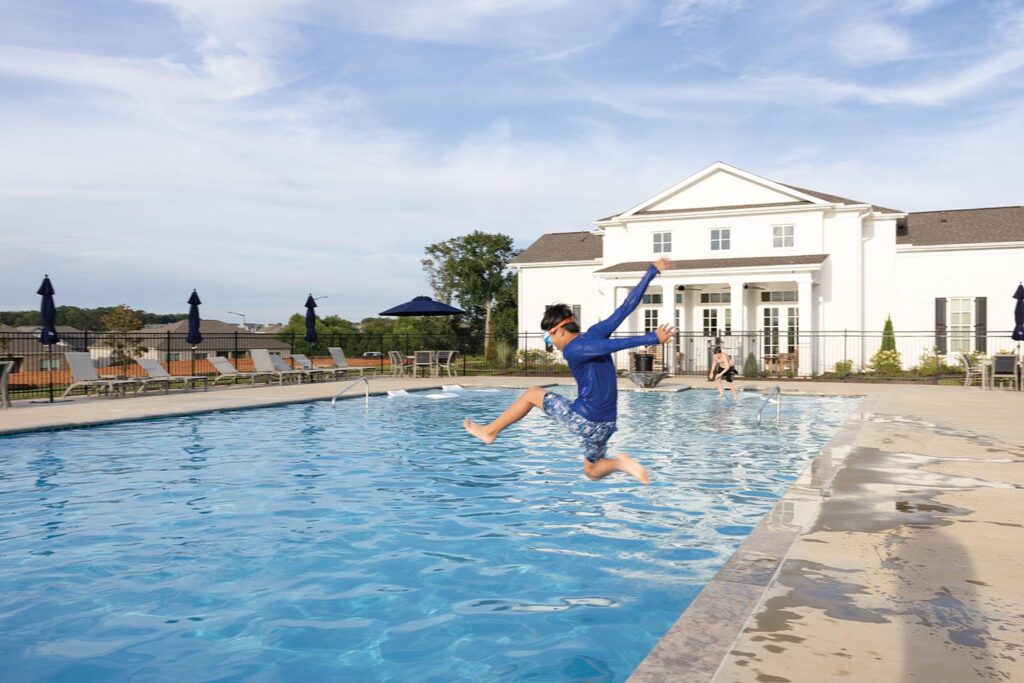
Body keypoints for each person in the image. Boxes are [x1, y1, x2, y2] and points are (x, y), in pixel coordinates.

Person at [464, 257, 675, 484]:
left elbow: (610, 346)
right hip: (606, 424)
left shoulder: (574, 350)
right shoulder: (595, 333)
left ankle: (490, 431)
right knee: (591, 470)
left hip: (585, 420)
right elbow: (626, 307)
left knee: (532, 393)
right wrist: (651, 272)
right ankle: (619, 464)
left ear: (559, 331)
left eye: (548, 337)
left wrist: (652, 338)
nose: (551, 343)